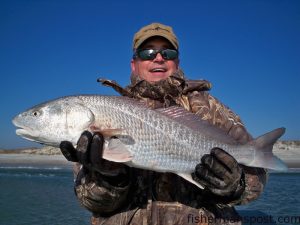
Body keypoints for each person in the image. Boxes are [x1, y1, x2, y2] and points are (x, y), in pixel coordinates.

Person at [60, 23, 267, 225]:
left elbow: (256, 175)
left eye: (167, 53)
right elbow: (91, 202)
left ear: (177, 62)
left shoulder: (212, 108)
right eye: (147, 52)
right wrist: (108, 177)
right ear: (134, 63)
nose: (158, 58)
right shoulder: (106, 113)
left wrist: (236, 185)